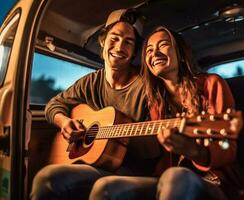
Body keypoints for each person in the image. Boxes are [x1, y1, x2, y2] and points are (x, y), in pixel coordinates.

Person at [88, 26, 244, 200]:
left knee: (176, 176)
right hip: (164, 176)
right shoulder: (155, 100)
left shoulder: (211, 84)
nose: (154, 53)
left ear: (179, 52)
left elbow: (227, 149)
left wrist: (193, 150)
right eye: (149, 50)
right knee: (107, 187)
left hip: (213, 179)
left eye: (162, 45)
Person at [30, 9, 162, 200]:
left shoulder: (147, 85)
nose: (119, 47)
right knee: (46, 178)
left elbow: (155, 149)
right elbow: (53, 105)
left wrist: (120, 139)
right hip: (92, 164)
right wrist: (64, 122)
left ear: (134, 51)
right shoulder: (90, 82)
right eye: (114, 38)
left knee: (99, 187)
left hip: (131, 169)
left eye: (128, 42)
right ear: (103, 41)